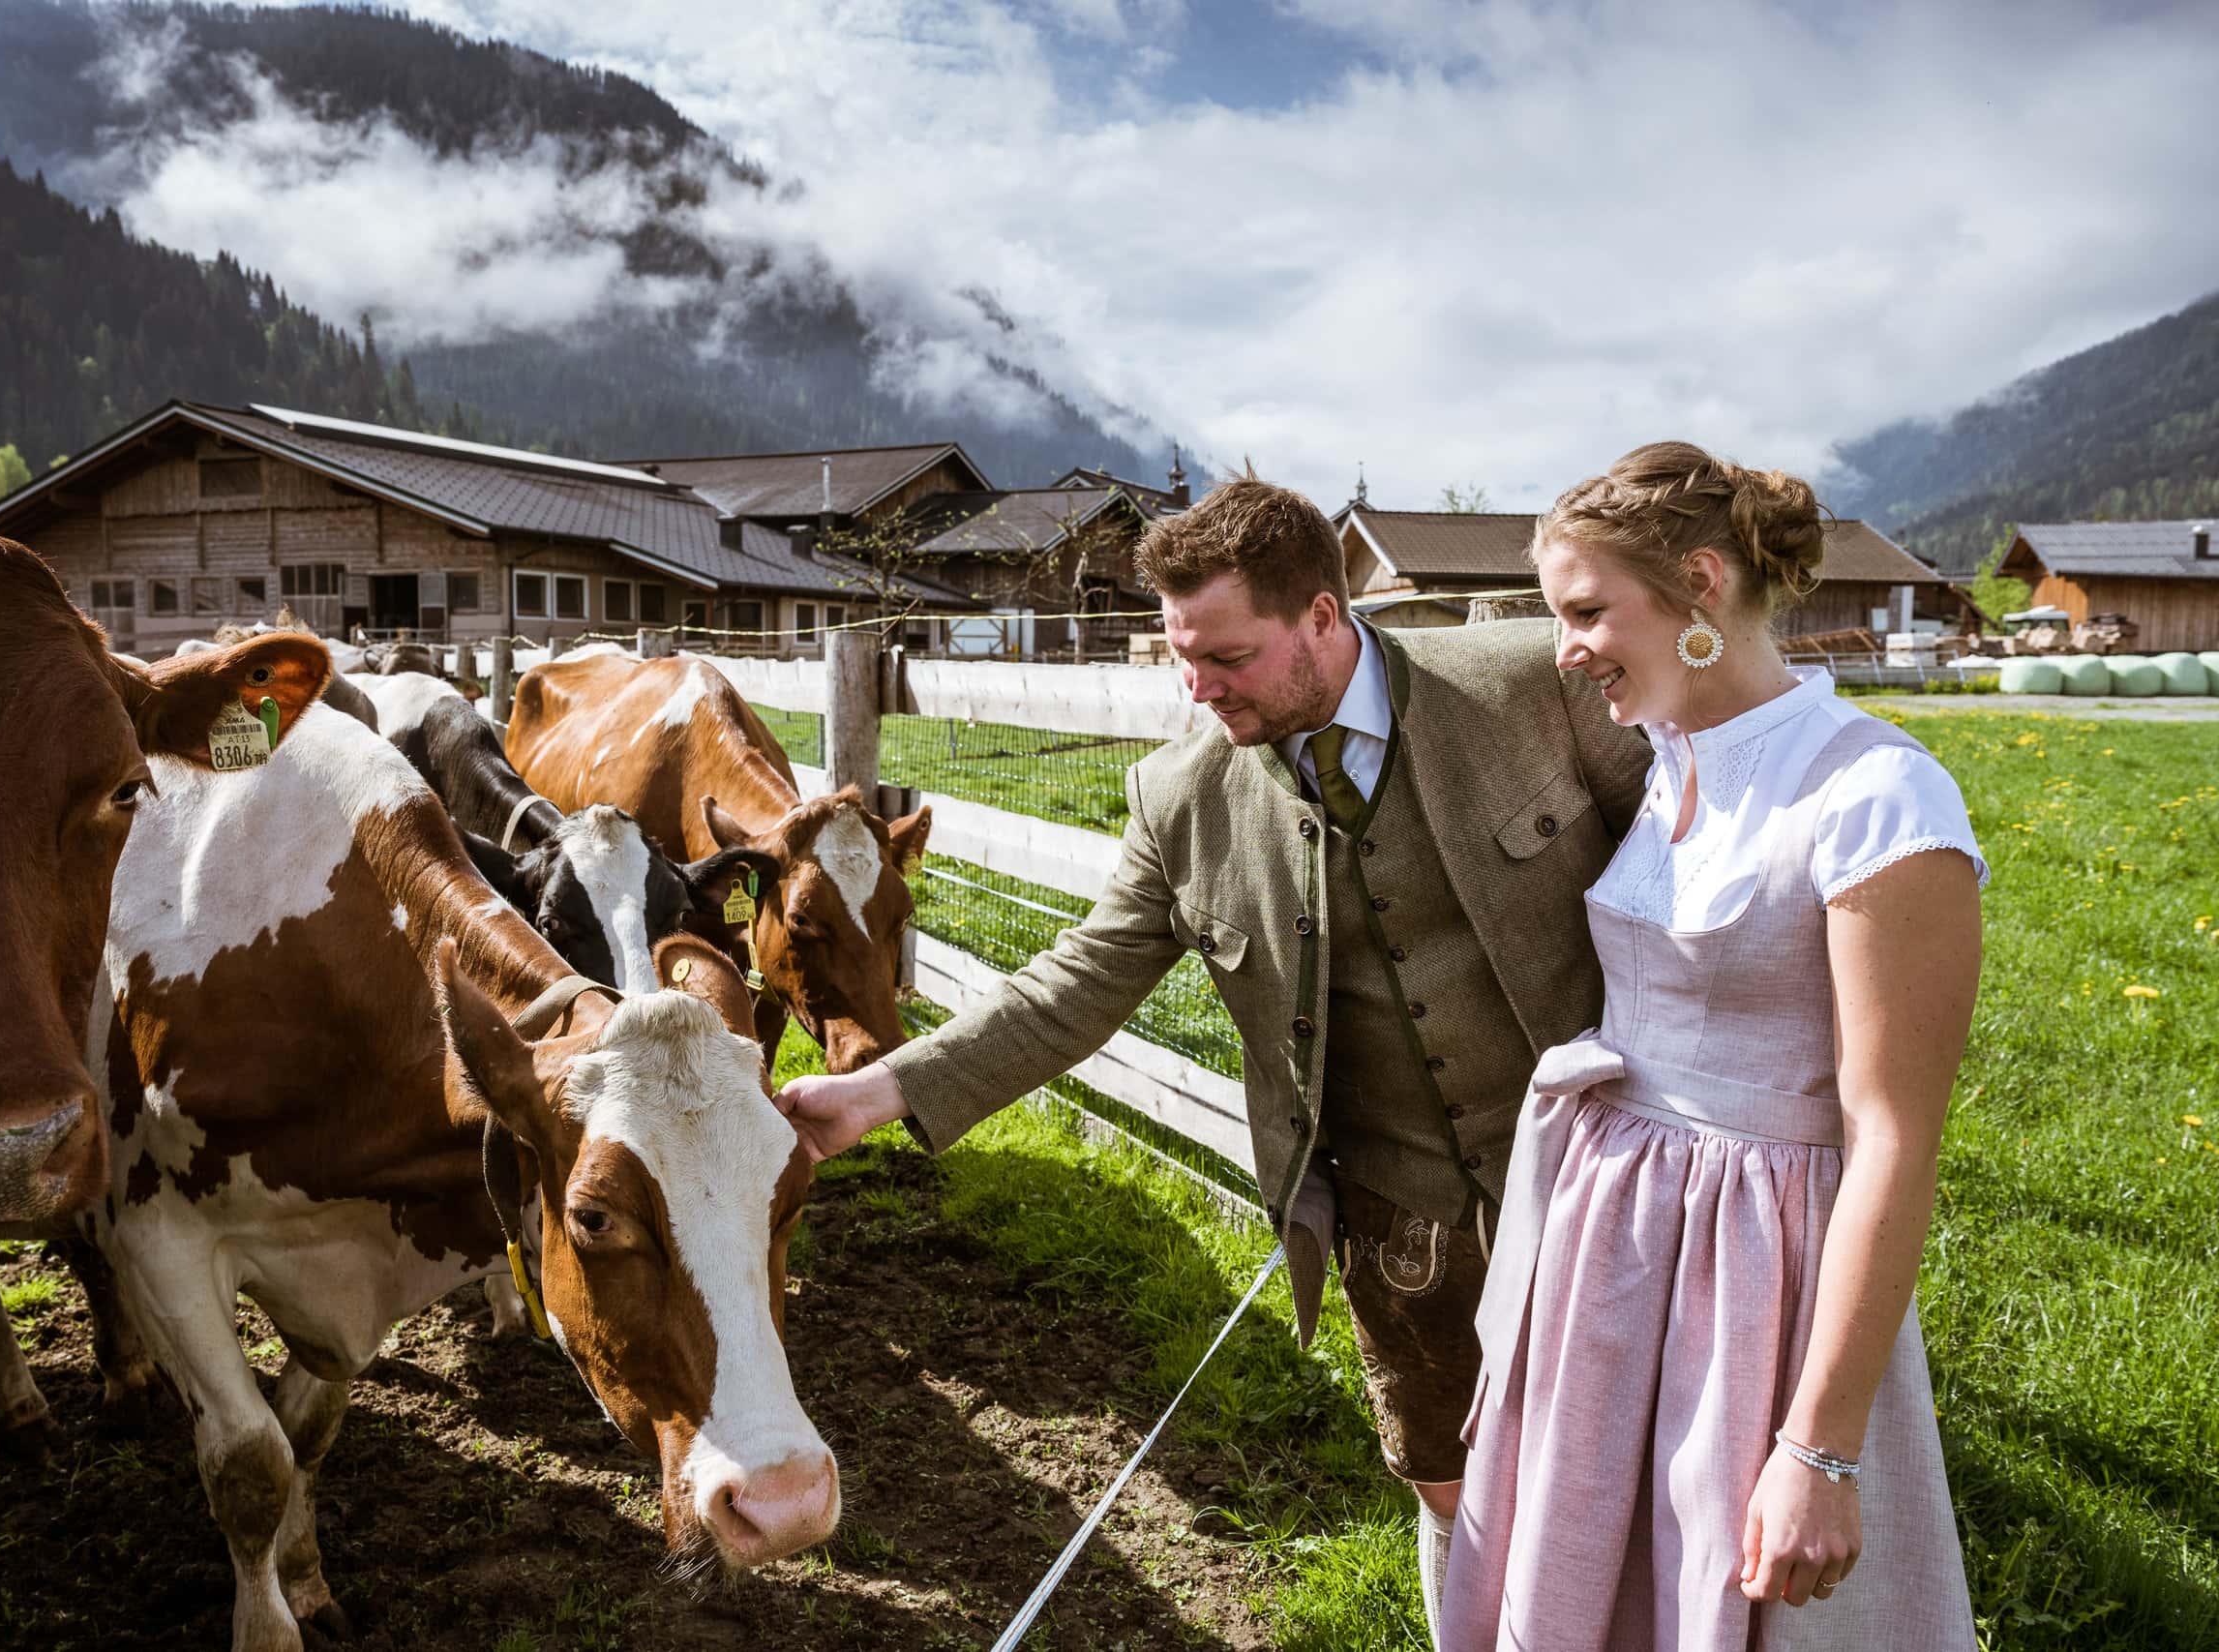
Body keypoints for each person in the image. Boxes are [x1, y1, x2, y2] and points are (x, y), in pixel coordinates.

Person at [778, 476, 1650, 1632]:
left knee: (1639, 1466)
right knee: (1451, 1485)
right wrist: (872, 1097)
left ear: (1324, 620)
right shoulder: (1178, 797)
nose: (1197, 687)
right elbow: (1070, 990)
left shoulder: (1538, 687)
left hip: (1618, 1175)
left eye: (1227, 656)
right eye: (1181, 654)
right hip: (1403, 1216)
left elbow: (1708, 860)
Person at [1439, 442, 1985, 1651]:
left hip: (1753, 1269)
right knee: (1593, 1571)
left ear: (1697, 583)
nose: (1566, 649)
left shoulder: (1874, 796)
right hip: (1610, 1242)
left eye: (1586, 611)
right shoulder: (1669, 760)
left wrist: (1816, 1449)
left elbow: (1891, 1140)